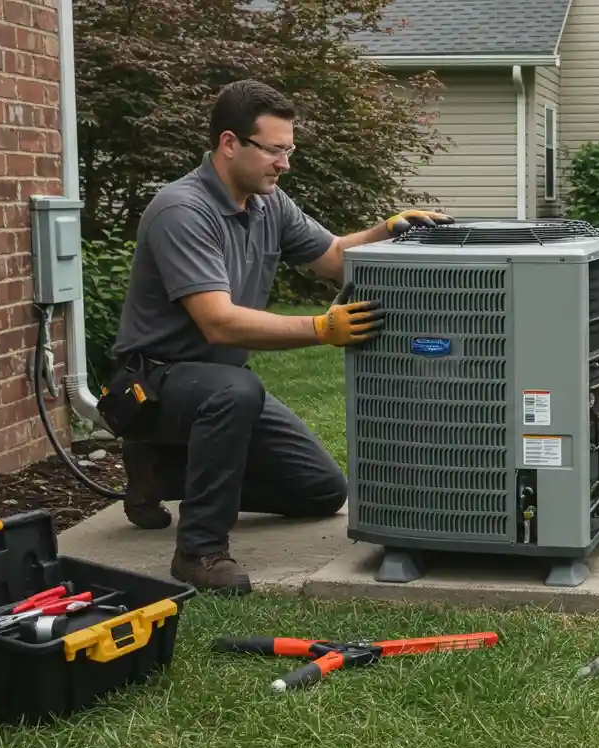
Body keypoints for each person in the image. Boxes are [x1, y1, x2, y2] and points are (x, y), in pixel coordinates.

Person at [106, 80, 453, 594]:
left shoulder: (268, 204)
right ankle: (200, 551)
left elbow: (333, 257)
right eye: (274, 149)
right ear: (230, 144)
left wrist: (386, 230)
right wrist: (321, 329)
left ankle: (162, 471)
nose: (284, 162)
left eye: (288, 149)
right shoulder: (182, 211)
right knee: (235, 392)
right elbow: (218, 321)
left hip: (218, 381)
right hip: (155, 385)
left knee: (321, 490)